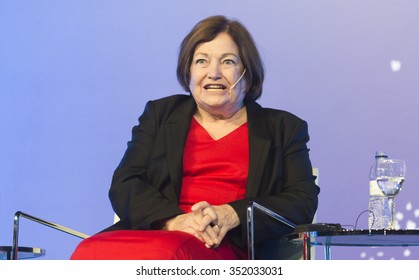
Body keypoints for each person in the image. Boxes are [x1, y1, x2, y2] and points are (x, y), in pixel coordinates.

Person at [70, 15, 319, 260]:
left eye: (228, 62)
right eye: (201, 61)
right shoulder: (160, 115)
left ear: (248, 73)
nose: (213, 73)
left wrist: (232, 214)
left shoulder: (283, 128)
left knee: (169, 255)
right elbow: (125, 183)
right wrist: (174, 220)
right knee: (89, 251)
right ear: (188, 72)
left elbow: (302, 201)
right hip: (160, 232)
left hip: (227, 245)